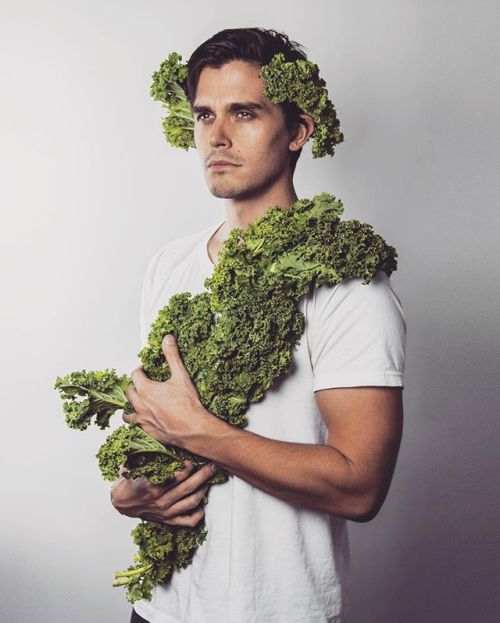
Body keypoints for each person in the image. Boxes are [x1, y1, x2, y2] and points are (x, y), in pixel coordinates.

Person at [110, 27, 406, 623]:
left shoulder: (346, 283)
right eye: (204, 115)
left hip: (275, 610)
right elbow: (154, 419)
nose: (216, 137)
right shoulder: (168, 266)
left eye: (244, 113)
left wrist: (199, 431)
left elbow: (360, 487)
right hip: (160, 608)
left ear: (297, 130)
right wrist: (130, 490)